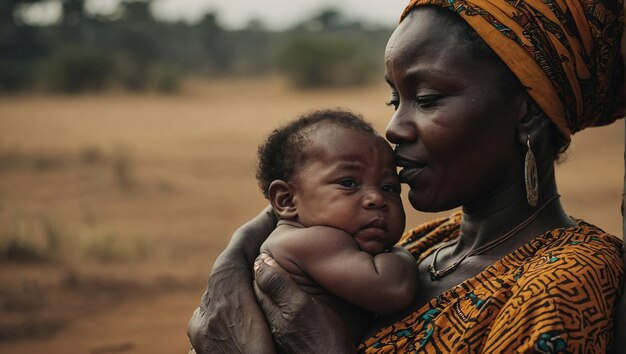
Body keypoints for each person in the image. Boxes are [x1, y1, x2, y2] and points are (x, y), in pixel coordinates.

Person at [188, 0, 625, 352]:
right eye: (393, 99)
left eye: (428, 98)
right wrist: (232, 261)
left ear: (525, 112)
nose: (395, 128)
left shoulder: (565, 282)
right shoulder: (428, 244)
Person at [254, 109, 418, 343]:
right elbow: (394, 289)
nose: (377, 199)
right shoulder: (310, 242)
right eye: (348, 183)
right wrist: (403, 254)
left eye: (389, 188)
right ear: (287, 200)